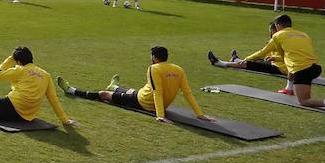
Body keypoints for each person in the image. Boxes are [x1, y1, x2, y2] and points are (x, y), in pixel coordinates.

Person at [208, 14, 325, 115]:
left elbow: (262, 52)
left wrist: (245, 59)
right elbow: (291, 53)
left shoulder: (278, 35)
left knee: (305, 101)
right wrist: (275, 58)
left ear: (278, 26)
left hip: (301, 70)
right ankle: (289, 89)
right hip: (315, 68)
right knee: (292, 69)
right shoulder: (302, 34)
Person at [56, 46, 214, 123]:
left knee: (104, 95)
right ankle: (115, 87)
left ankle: (71, 90)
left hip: (145, 103)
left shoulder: (154, 68)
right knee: (133, 91)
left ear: (154, 57)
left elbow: (157, 92)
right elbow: (187, 93)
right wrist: (199, 114)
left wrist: (160, 115)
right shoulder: (178, 69)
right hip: (148, 98)